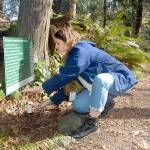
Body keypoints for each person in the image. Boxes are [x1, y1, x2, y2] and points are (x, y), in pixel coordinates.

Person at [24, 24, 138, 139]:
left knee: (101, 79)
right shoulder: (73, 56)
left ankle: (91, 124)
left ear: (67, 41)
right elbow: (69, 86)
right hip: (103, 86)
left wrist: (39, 88)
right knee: (78, 105)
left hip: (120, 78)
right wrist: (45, 104)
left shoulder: (81, 51)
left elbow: (64, 76)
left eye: (58, 43)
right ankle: (107, 101)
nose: (56, 47)